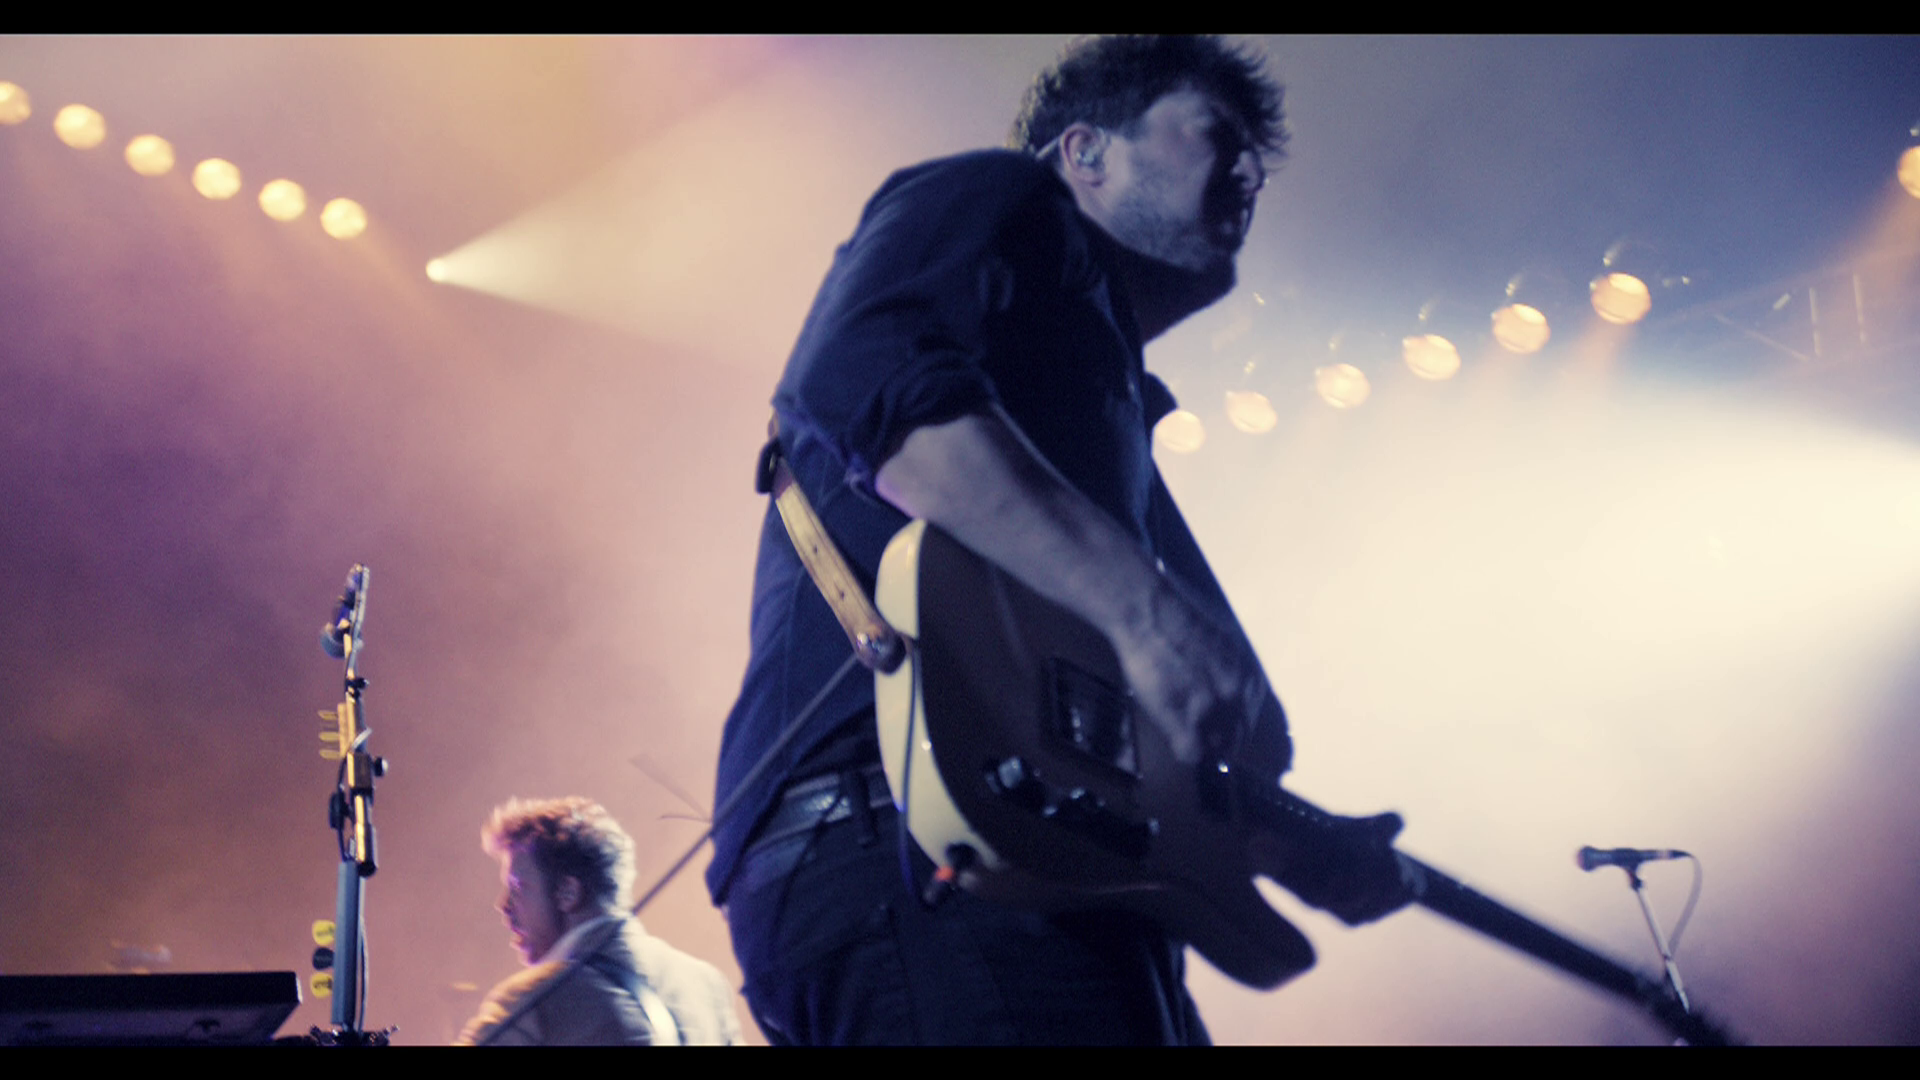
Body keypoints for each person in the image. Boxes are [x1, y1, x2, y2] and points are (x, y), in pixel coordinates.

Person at [708, 35, 1409, 1046]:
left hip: (1046, 867)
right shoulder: (997, 194)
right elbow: (864, 375)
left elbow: (1175, 731)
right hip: (909, 844)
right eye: (1217, 134)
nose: (1251, 173)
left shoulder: (1095, 420)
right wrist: (1148, 615)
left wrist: (1293, 840)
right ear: (1083, 152)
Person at [456, 796, 743, 1046]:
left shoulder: (533, 1000)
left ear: (568, 893)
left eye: (518, 887)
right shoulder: (707, 986)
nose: (503, 906)